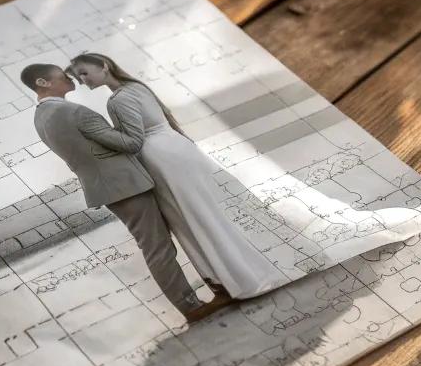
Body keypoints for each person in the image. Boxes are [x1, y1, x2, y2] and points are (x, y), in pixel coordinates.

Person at [67, 53, 291, 301]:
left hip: (162, 160)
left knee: (192, 223)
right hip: (177, 149)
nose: (82, 80)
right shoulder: (137, 87)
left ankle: (234, 281)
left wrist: (96, 134)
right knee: (206, 217)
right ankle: (242, 275)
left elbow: (132, 142)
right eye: (79, 77)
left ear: (104, 66)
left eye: (84, 73)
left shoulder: (118, 100)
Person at [20, 63, 221, 323]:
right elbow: (129, 143)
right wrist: (138, 124)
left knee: (155, 245)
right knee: (157, 248)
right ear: (43, 83)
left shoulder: (41, 117)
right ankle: (191, 308)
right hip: (125, 186)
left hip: (110, 187)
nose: (70, 77)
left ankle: (198, 299)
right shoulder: (74, 112)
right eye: (62, 75)